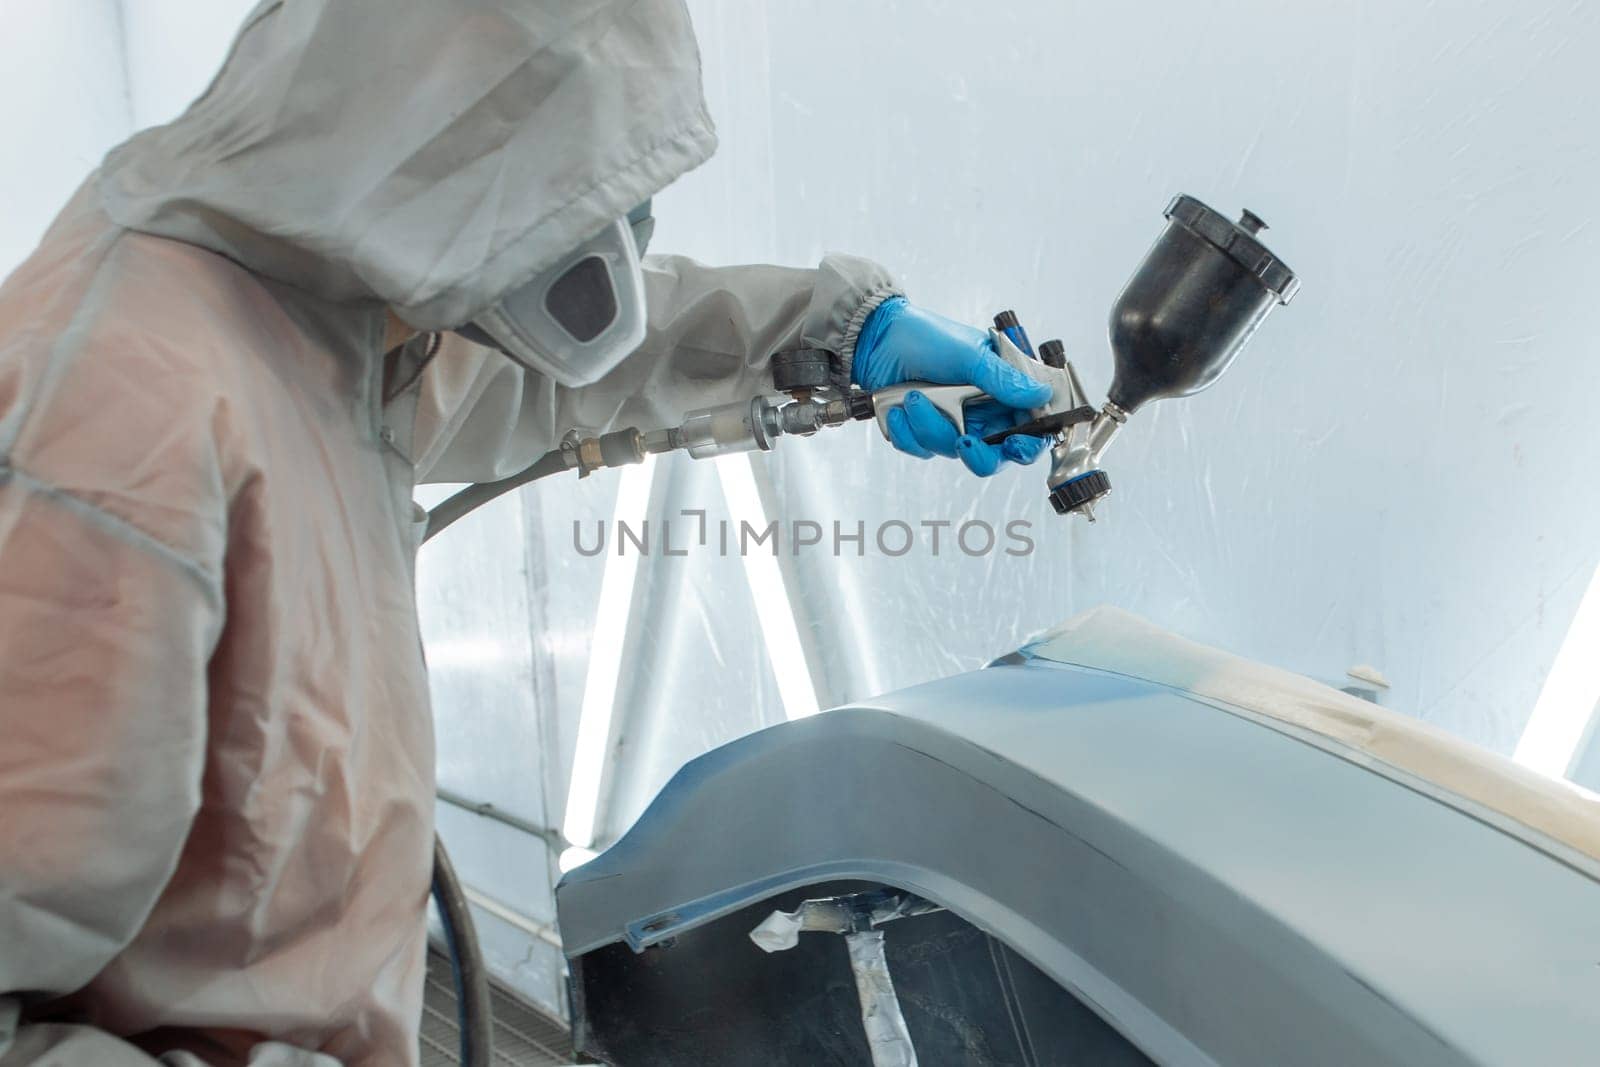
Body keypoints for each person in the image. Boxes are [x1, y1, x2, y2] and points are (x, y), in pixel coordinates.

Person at [0, 2, 1048, 1064]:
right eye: (573, 189)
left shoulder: (325, 312)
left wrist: (838, 336)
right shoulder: (112, 429)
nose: (620, 241)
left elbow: (548, 374)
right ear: (442, 136)